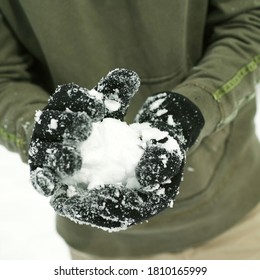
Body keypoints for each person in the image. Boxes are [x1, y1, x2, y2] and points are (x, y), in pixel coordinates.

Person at [0, 1, 260, 260]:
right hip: (100, 245)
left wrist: (194, 107)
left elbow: (250, 19)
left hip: (234, 211)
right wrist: (43, 130)